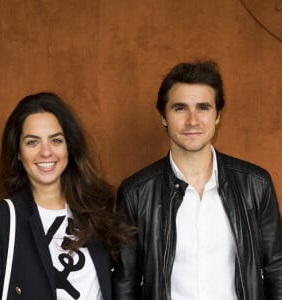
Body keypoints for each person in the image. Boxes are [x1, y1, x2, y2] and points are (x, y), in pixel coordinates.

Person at [113, 60, 282, 300]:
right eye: (180, 108)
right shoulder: (136, 193)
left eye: (203, 107)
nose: (193, 120)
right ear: (163, 116)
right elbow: (125, 283)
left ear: (217, 115)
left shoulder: (256, 185)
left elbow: (277, 269)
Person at [0, 92, 131, 300]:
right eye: (32, 142)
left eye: (56, 140)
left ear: (69, 147)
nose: (46, 152)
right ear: (18, 151)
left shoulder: (100, 213)